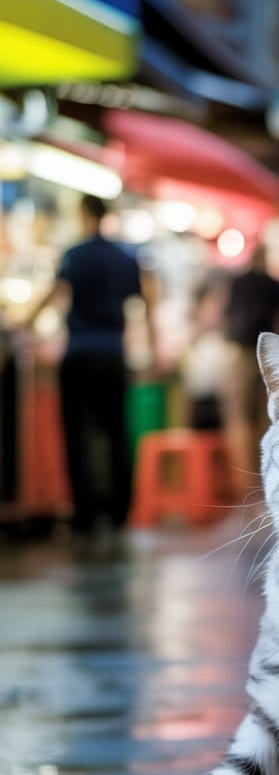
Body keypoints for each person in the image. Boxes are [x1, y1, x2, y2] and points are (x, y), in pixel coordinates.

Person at [28, 194, 155, 534]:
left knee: (77, 435)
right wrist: (153, 350)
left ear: (84, 214)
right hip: (113, 356)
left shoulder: (75, 255)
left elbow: (52, 296)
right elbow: (147, 305)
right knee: (117, 433)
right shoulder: (126, 259)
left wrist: (26, 324)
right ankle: (119, 512)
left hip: (79, 355)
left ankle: (84, 513)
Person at [219, 247, 279, 495]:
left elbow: (225, 316)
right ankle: (268, 481)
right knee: (270, 419)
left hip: (240, 354)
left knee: (238, 419)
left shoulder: (237, 283)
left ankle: (244, 486)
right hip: (270, 357)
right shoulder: (274, 285)